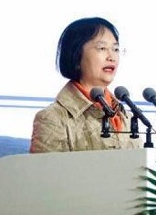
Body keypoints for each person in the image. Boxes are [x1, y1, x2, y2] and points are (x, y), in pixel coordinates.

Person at [30, 17, 141, 152]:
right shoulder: (53, 118)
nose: (111, 57)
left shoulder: (126, 116)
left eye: (116, 49)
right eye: (102, 48)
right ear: (76, 56)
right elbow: (48, 166)